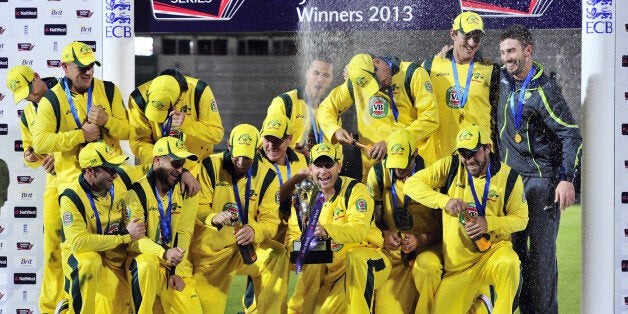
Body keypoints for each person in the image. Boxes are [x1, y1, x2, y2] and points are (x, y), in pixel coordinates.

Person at [497, 24, 583, 314]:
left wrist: (565, 179)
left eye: (511, 51)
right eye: (503, 52)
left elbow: (570, 134)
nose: (506, 58)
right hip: (511, 182)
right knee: (514, 252)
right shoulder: (504, 79)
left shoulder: (544, 89)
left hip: (540, 182)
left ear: (528, 51)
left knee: (542, 259)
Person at [404, 125, 528, 313]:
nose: (468, 160)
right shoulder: (451, 166)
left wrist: (489, 223)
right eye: (463, 153)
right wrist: (444, 201)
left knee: (509, 263)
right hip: (459, 268)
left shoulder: (510, 178)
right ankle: (481, 301)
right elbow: (411, 185)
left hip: (492, 255)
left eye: (473, 152)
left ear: (488, 147)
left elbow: (521, 219)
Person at [189, 124, 288, 313]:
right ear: (228, 145)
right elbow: (197, 207)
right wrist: (213, 217)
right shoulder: (210, 166)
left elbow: (270, 222)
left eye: (248, 156)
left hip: (245, 249)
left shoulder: (267, 176)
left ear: (257, 150)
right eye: (238, 154)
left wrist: (254, 230)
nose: (241, 161)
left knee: (276, 254)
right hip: (211, 255)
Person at [284, 143, 391, 313]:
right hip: (328, 266)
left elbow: (358, 230)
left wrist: (326, 231)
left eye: (329, 165)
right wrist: (300, 245)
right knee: (299, 303)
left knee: (355, 259)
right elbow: (292, 236)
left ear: (339, 167)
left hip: (365, 260)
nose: (323, 171)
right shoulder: (304, 196)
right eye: (318, 165)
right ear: (310, 169)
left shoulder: (356, 190)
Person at [317, 53, 438, 181]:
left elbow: (430, 118)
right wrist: (334, 130)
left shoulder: (413, 74)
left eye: (376, 81)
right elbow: (326, 108)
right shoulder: (358, 83)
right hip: (374, 170)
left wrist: (391, 143)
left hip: (412, 166)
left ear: (377, 63)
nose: (378, 87)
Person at [58, 142, 144, 313]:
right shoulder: (70, 197)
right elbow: (80, 243)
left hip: (113, 252)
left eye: (116, 167)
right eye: (110, 170)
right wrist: (126, 235)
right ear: (90, 171)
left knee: (116, 305)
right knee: (89, 262)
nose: (115, 175)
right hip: (83, 253)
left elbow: (153, 170)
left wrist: (185, 174)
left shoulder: (122, 176)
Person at [33, 41, 129, 193]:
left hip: (111, 181)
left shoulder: (109, 90)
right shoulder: (52, 99)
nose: (89, 72)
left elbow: (127, 132)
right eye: (82, 68)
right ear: (65, 67)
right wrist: (81, 135)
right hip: (73, 184)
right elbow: (40, 143)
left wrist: (108, 121)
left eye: (91, 66)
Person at [5, 65, 64, 313]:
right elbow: (33, 152)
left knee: (82, 248)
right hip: (55, 184)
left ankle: (79, 302)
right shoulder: (28, 113)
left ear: (37, 77)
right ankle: (51, 307)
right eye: (25, 95)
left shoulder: (67, 94)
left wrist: (58, 157)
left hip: (86, 179)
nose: (30, 97)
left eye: (31, 90)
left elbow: (87, 136)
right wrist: (31, 157)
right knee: (52, 247)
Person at [367, 129, 442, 313]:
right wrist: (384, 233)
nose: (399, 170)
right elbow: (372, 218)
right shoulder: (377, 173)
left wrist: (421, 240)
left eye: (404, 164)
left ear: (415, 153)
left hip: (428, 250)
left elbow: (448, 228)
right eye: (394, 164)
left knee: (428, 268)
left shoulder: (434, 175)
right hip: (395, 255)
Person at [125, 137, 203, 313]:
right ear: (157, 160)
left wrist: (177, 272)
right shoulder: (137, 192)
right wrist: (163, 253)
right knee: (147, 264)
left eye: (182, 165)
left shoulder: (186, 190)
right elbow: (134, 241)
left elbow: (184, 232)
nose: (180, 170)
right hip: (145, 262)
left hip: (172, 265)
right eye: (175, 164)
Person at [422, 11, 500, 160]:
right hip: (441, 157)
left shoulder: (491, 70)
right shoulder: (430, 66)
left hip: (478, 159)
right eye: (466, 36)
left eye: (476, 38)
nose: (471, 43)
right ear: (453, 34)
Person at [128, 68, 224, 175]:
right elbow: (140, 141)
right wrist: (157, 164)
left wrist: (187, 124)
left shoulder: (199, 91)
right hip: (159, 170)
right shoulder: (138, 98)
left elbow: (216, 134)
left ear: (177, 100)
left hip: (196, 169)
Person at [266, 56, 334, 155]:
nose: (320, 79)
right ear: (307, 73)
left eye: (326, 75)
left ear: (331, 79)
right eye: (316, 73)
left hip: (320, 169)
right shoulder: (284, 102)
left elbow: (337, 154)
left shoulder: (330, 109)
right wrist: (294, 155)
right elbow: (268, 143)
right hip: (289, 168)